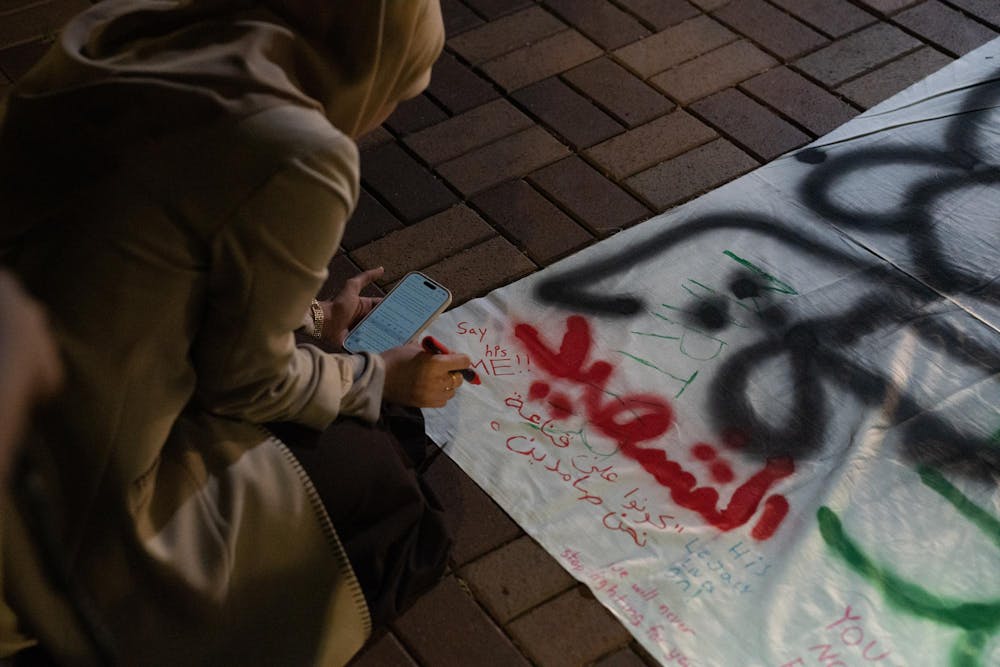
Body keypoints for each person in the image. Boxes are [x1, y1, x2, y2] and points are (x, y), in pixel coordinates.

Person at [0, 0, 467, 664]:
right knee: (381, 479)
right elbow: (248, 382)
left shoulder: (127, 32)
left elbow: (137, 272)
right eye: (403, 88)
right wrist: (381, 376)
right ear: (375, 65)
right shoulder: (302, 151)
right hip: (49, 523)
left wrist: (312, 323)